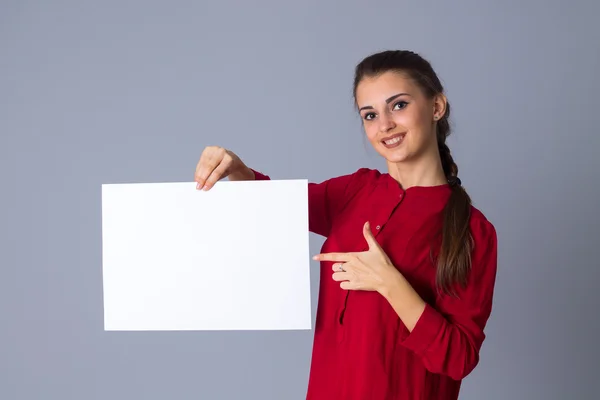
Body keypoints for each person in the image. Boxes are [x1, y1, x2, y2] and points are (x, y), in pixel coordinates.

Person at [193, 50, 498, 400]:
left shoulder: (472, 230)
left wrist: (391, 284)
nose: (384, 125)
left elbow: (458, 358)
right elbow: (273, 208)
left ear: (436, 107)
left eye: (398, 105)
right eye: (370, 114)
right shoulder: (355, 191)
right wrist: (236, 169)